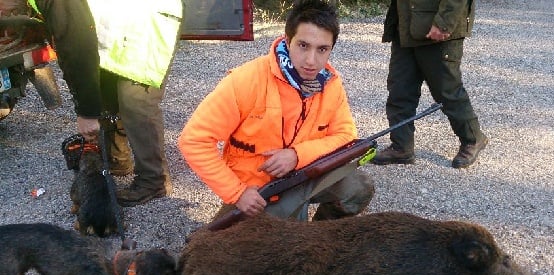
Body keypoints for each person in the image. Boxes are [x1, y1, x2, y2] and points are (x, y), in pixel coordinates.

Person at [178, 0, 374, 221]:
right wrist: (238, 193)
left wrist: (296, 156)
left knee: (358, 187)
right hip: (259, 191)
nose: (311, 61)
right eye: (303, 45)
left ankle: (321, 234)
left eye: (322, 49)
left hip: (306, 174)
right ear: (288, 40)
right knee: (257, 250)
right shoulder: (246, 80)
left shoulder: (330, 83)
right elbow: (194, 140)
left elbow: (346, 135)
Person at [29, 0, 182, 206]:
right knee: (106, 93)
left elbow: (76, 52)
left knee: (136, 104)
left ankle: (154, 180)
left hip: (145, 26)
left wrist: (87, 113)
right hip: (115, 30)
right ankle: (117, 160)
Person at [371, 0, 488, 168]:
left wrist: (444, 23)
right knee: (399, 89)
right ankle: (401, 146)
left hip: (437, 30)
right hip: (405, 25)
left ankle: (473, 138)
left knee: (447, 91)